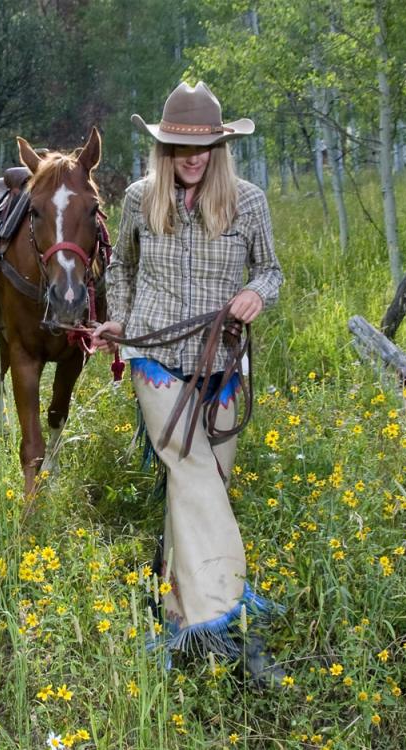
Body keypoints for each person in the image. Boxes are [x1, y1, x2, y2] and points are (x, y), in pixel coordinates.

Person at [93, 81, 286, 685]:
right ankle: (232, 631)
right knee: (194, 473)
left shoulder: (248, 202)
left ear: (220, 146)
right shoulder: (137, 199)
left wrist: (256, 293)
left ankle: (176, 614)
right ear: (163, 147)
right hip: (155, 358)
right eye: (179, 145)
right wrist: (119, 318)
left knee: (204, 487)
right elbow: (120, 268)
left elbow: (272, 270)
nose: (192, 156)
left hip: (222, 364)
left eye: (202, 146)